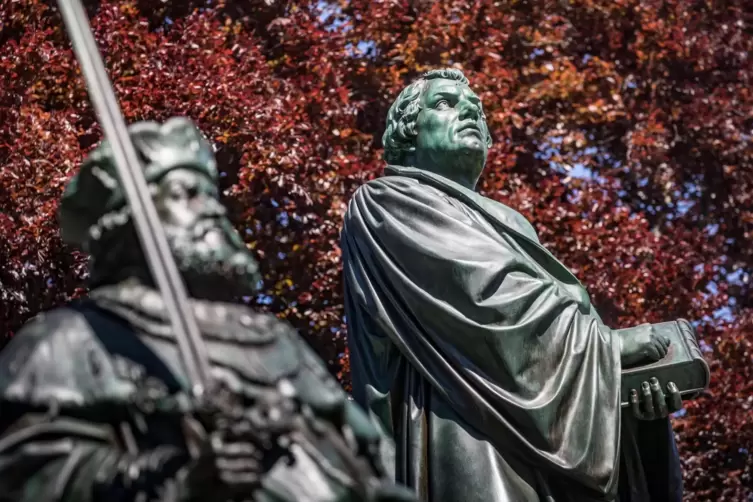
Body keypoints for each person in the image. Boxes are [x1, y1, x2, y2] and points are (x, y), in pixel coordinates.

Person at [0, 117, 415, 502]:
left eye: (211, 194)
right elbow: (31, 477)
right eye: (185, 194)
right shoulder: (68, 340)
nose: (213, 209)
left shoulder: (275, 340)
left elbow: (362, 453)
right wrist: (185, 479)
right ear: (127, 221)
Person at [340, 68, 684, 502]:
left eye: (477, 111)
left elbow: (556, 338)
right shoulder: (386, 202)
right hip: (462, 418)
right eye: (446, 103)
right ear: (408, 132)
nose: (469, 113)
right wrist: (606, 350)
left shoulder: (511, 221)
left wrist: (632, 406)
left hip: (543, 446)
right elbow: (485, 298)